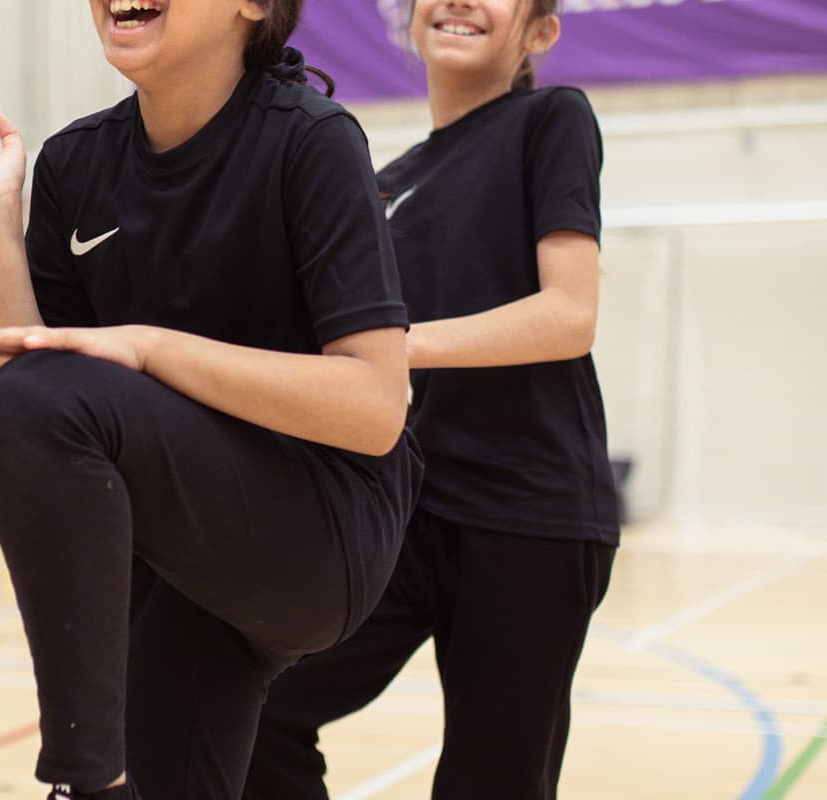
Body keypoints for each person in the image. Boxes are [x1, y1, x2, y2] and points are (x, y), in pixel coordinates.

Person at [0, 1, 423, 797]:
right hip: (180, 552)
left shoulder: (311, 139)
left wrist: (153, 348)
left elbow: (373, 407)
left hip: (322, 528)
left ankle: (86, 779)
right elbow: (26, 403)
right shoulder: (77, 162)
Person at [243, 1, 616, 798]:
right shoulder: (388, 178)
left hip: (532, 515)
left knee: (492, 780)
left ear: (540, 32)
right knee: (256, 708)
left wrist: (393, 347)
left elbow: (570, 316)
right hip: (403, 512)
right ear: (408, 22)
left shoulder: (552, 119)